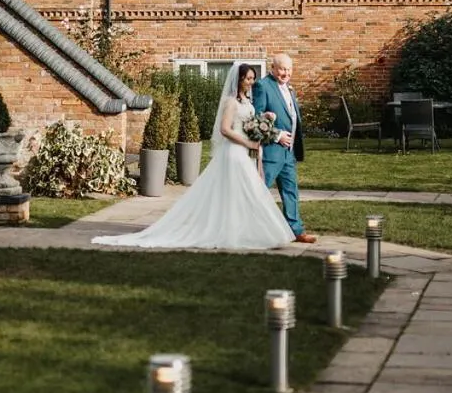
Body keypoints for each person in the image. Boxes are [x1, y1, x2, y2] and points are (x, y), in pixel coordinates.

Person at [91, 63, 295, 250]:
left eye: (252, 78)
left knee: (247, 192)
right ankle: (236, 234)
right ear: (239, 79)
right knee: (243, 192)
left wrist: (265, 120)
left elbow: (248, 124)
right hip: (234, 152)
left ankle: (247, 231)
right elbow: (225, 130)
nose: (251, 82)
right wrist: (247, 142)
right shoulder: (231, 102)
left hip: (245, 152)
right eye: (247, 79)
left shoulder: (247, 102)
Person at [252, 53, 317, 244]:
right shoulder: (262, 86)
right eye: (282, 69)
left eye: (289, 69)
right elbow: (256, 119)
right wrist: (277, 135)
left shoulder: (290, 88)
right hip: (271, 151)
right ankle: (249, 228)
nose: (286, 73)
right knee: (258, 191)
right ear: (273, 68)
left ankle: (295, 230)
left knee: (291, 191)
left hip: (289, 153)